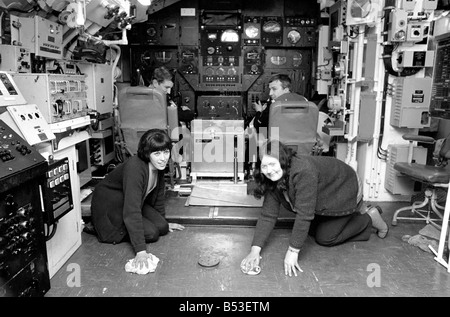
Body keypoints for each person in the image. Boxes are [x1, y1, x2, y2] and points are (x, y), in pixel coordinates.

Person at [241, 139, 389, 277]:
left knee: (325, 237)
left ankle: (368, 218)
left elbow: (304, 215)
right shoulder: (273, 179)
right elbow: (268, 215)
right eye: (264, 166)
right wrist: (255, 251)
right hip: (326, 192)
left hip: (345, 186)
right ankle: (352, 215)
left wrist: (293, 251)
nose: (269, 170)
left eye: (273, 164)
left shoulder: (303, 171)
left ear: (282, 161)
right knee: (308, 230)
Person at [90, 129, 185, 270]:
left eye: (166, 152)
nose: (163, 158)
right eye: (157, 153)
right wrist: (140, 250)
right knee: (152, 233)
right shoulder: (135, 167)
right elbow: (131, 210)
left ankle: (140, 228)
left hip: (128, 201)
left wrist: (163, 221)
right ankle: (100, 227)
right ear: (147, 153)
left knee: (162, 227)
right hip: (110, 205)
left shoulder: (159, 166)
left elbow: (158, 197)